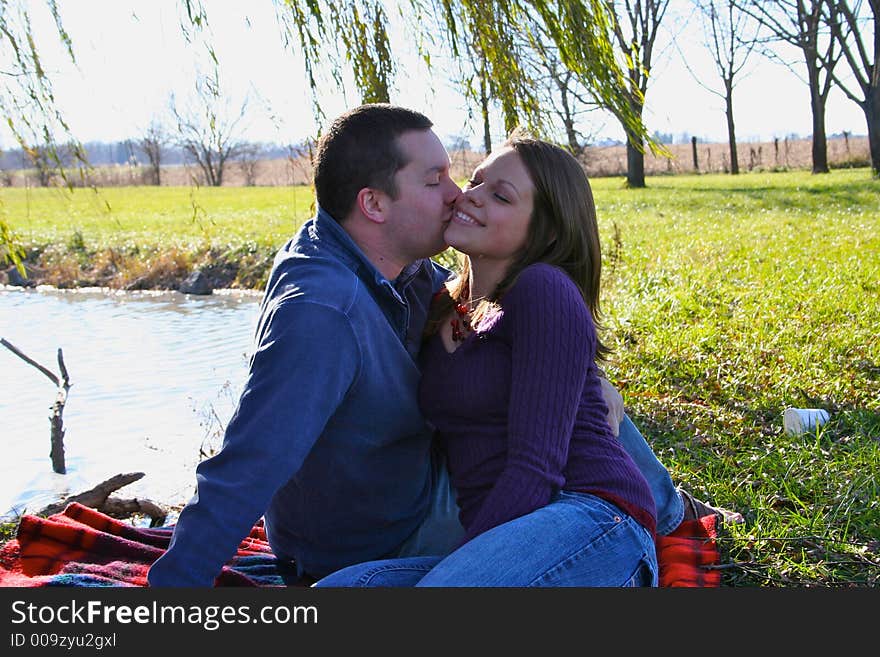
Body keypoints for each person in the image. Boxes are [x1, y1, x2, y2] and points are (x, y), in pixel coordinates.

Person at [148, 104, 734, 587]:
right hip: (387, 532)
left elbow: (536, 453)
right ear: (374, 204)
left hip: (547, 513)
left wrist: (585, 378)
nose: (458, 195)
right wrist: (171, 590)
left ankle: (664, 511)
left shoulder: (416, 277)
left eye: (468, 180)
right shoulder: (327, 310)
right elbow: (250, 461)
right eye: (439, 181)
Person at [313, 133, 658, 587]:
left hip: (592, 521)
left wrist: (462, 566)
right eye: (475, 181)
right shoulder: (440, 305)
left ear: (546, 230)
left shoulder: (543, 290)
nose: (469, 197)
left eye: (499, 195)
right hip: (501, 537)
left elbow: (536, 473)